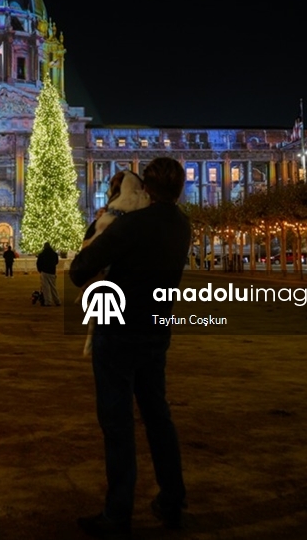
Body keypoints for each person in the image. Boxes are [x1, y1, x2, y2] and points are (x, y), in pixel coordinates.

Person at [68, 157, 191, 538]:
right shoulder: (182, 225)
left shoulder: (130, 225)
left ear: (147, 188)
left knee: (118, 424)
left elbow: (79, 269)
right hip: (157, 330)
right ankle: (172, 501)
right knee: (159, 418)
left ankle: (118, 512)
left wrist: (103, 218)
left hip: (118, 332)